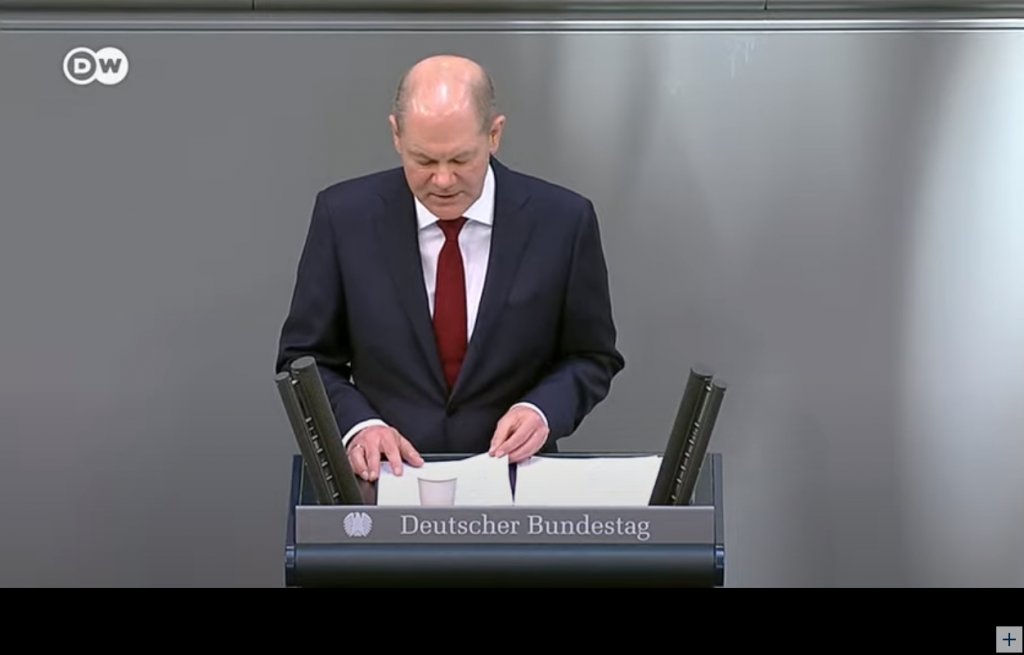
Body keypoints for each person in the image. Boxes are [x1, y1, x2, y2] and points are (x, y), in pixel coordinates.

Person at [275, 54, 623, 482]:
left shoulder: (563, 222)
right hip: (386, 483)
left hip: (515, 485)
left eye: (460, 160)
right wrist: (359, 427)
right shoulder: (344, 218)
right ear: (396, 135)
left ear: (494, 135)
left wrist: (542, 410)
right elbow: (303, 360)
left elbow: (592, 356)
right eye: (423, 161)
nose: (442, 180)